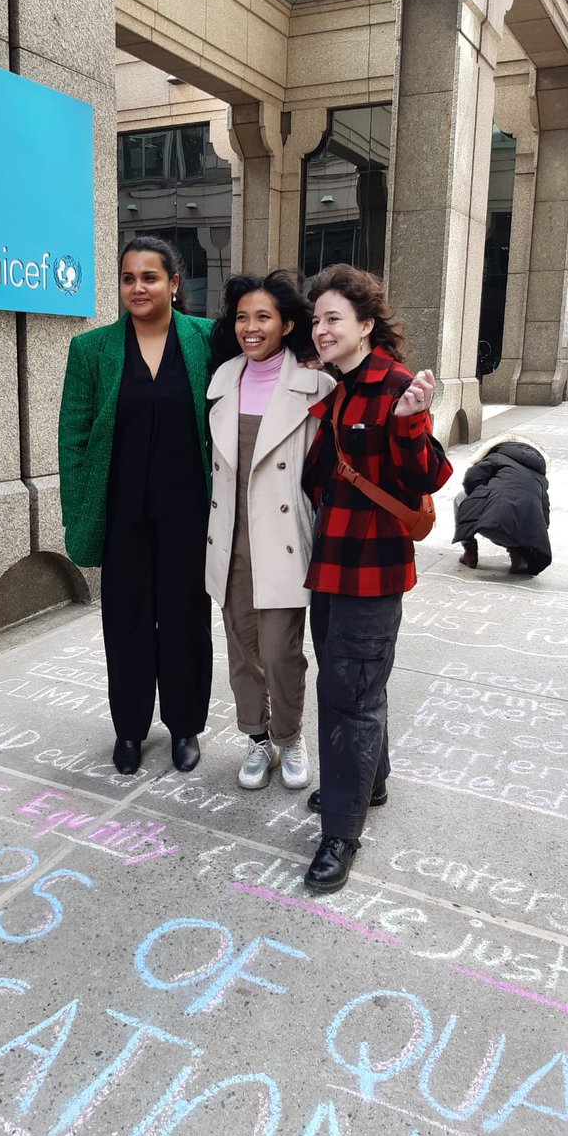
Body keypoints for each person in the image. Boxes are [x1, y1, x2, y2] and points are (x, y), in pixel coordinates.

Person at [300, 264, 453, 893]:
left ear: (366, 324)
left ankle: (342, 828)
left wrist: (413, 419)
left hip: (372, 569)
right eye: (316, 320)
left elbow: (429, 478)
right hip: (331, 563)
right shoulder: (339, 387)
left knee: (351, 693)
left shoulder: (394, 385)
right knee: (345, 678)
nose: (321, 329)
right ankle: (369, 779)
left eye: (333, 318)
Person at [58, 235, 213, 777]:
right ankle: (129, 728)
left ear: (174, 283)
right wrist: (78, 510)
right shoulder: (92, 349)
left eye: (150, 277)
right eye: (128, 278)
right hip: (122, 512)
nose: (138, 287)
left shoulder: (208, 339)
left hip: (188, 511)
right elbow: (73, 435)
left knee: (184, 619)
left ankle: (185, 726)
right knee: (124, 622)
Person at [205, 272, 335, 792]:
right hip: (230, 536)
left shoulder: (316, 385)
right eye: (242, 317)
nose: (251, 327)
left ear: (286, 324)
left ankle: (289, 735)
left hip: (281, 537)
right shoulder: (220, 382)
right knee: (242, 651)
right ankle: (256, 739)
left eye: (263, 317)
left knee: (282, 651)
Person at [453, 434, 551, 575]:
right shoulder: (540, 478)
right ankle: (518, 556)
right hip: (524, 537)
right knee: (521, 516)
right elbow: (545, 516)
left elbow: (471, 478)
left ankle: (470, 552)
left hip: (492, 526)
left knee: (460, 498)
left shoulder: (496, 457)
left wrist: (482, 496)